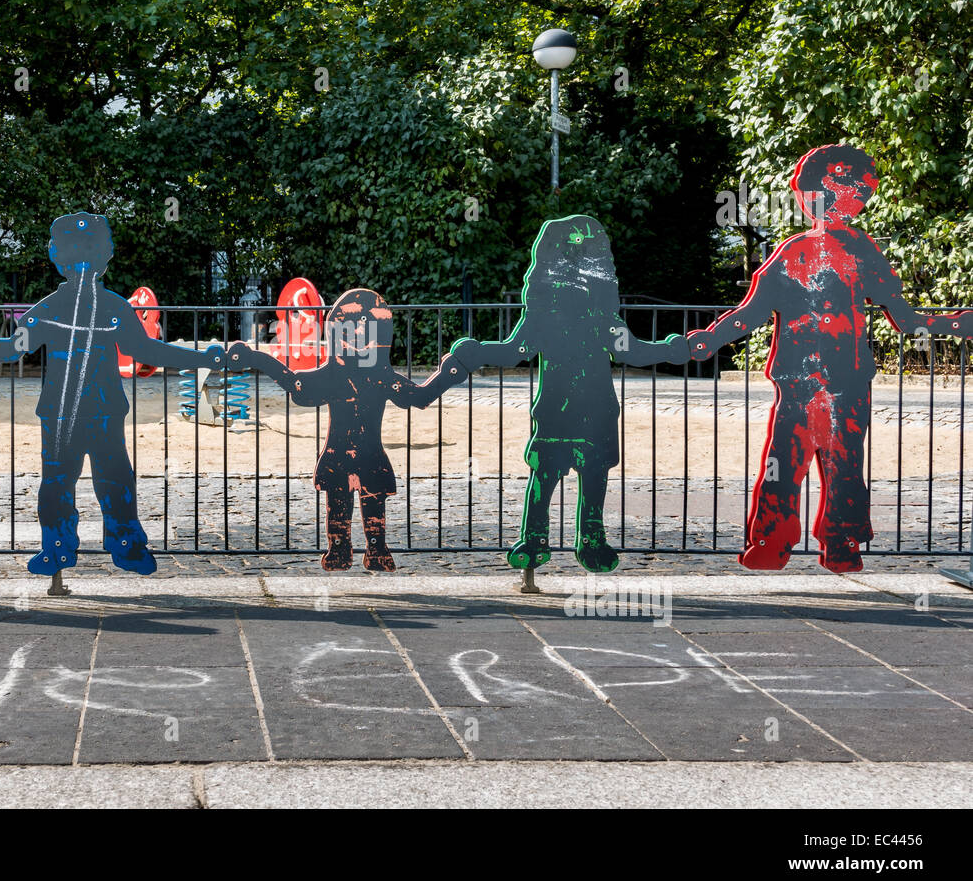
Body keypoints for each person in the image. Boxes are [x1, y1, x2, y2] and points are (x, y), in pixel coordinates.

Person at [687, 144, 973, 572]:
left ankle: (773, 542)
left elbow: (749, 314)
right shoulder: (859, 251)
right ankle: (837, 544)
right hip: (843, 379)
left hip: (806, 380)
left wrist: (707, 340)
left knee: (789, 462)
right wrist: (953, 325)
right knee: (840, 465)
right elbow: (907, 318)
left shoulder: (796, 252)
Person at [0, 211, 224, 576]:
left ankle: (59, 548)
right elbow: (147, 351)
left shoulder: (49, 309)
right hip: (99, 411)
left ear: (56, 256)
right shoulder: (113, 307)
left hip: (65, 413)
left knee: (60, 482)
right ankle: (123, 546)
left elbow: (11, 348)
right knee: (111, 480)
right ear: (106, 255)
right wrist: (199, 358)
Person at [452, 214, 686, 573]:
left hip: (565, 411)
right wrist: (670, 350)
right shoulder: (596, 317)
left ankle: (543, 539)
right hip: (586, 410)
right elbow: (632, 351)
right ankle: (579, 540)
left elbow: (516, 351)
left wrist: (479, 351)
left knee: (554, 477)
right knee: (576, 477)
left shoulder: (554, 315)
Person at [227, 289, 468, 571]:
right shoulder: (374, 376)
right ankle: (355, 550)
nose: (357, 338)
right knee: (350, 503)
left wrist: (256, 359)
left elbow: (295, 385)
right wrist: (449, 374)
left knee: (355, 502)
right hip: (360, 452)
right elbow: (420, 396)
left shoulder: (354, 375)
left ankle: (364, 549)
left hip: (346, 452)